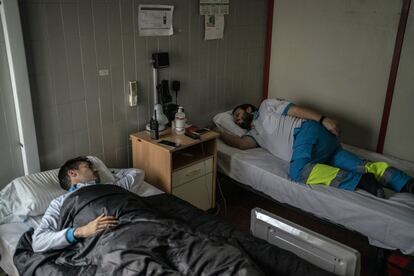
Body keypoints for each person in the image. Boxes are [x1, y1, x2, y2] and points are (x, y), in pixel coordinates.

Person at [216, 99, 414, 197]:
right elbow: (240, 144)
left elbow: (295, 110)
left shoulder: (267, 105)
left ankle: (361, 182)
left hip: (307, 132)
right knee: (362, 164)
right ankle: (405, 183)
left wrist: (323, 119)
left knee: (298, 172)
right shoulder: (253, 135)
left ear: (249, 108)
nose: (237, 118)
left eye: (238, 113)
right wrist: (217, 134)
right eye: (234, 119)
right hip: (322, 150)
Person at [32, 156, 143, 252]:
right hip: (111, 239)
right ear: (72, 173)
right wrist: (81, 231)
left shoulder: (110, 186)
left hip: (136, 222)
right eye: (89, 167)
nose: (95, 169)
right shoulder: (60, 202)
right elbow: (38, 242)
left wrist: (109, 171)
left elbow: (137, 173)